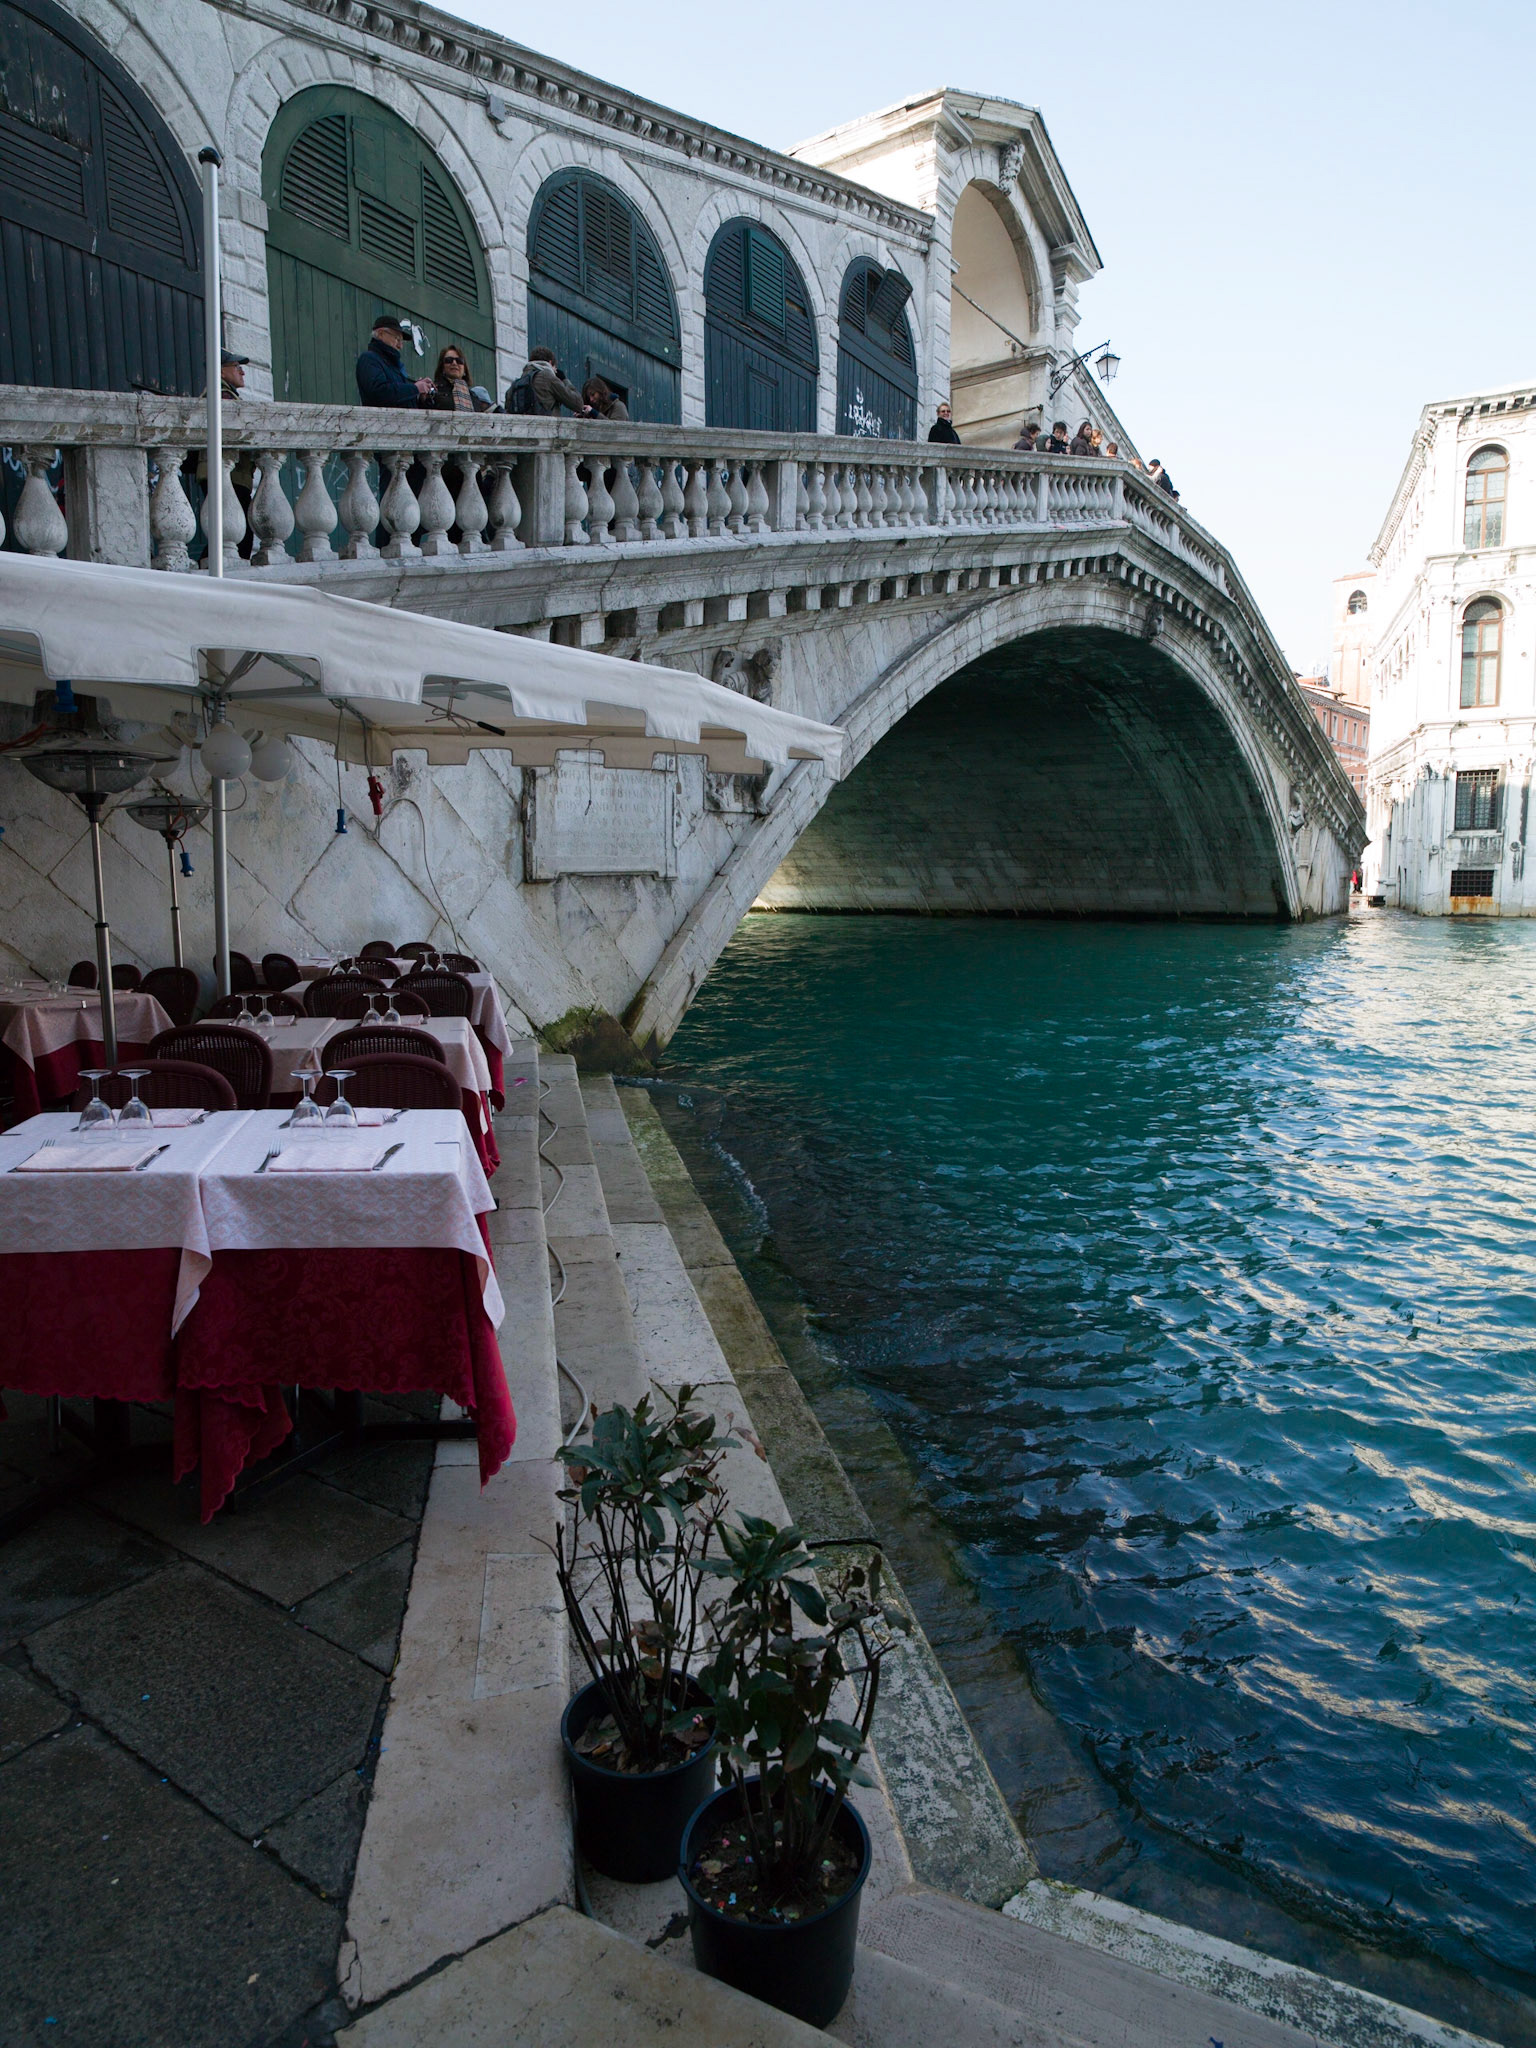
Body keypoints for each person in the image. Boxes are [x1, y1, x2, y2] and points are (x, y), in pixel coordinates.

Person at [356, 313, 433, 407]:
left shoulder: (394, 366)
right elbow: (379, 393)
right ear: (380, 334)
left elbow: (399, 399)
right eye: (397, 339)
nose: (400, 346)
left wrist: (420, 397)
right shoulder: (369, 359)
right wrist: (415, 388)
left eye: (401, 341)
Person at [506, 346, 586, 416]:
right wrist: (564, 380)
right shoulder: (547, 377)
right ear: (550, 362)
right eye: (555, 367)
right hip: (547, 428)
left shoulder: (517, 384)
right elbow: (578, 404)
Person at [429, 344, 492, 413]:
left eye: (459, 361)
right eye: (449, 360)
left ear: (464, 369)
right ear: (442, 367)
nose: (454, 363)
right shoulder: (434, 391)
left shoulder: (474, 396)